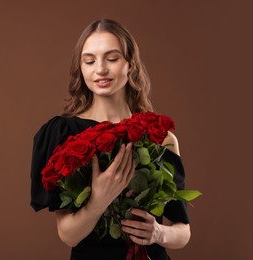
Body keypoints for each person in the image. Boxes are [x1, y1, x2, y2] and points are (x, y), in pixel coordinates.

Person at [30, 19, 190, 260]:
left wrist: (158, 233)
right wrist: (99, 199)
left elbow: (183, 231)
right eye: (90, 60)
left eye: (112, 59)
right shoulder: (62, 133)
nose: (100, 69)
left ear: (130, 65)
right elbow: (68, 235)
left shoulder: (160, 137)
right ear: (81, 68)